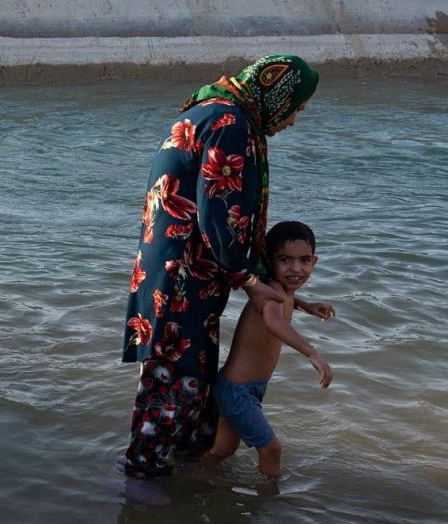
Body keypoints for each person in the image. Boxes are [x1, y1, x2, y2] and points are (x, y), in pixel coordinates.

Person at [120, 55, 328, 478]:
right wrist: (250, 280)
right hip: (182, 280)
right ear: (278, 96)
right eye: (297, 108)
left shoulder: (210, 109)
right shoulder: (231, 124)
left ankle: (183, 484)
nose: (293, 120)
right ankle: (140, 488)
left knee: (183, 382)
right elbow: (217, 214)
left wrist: (280, 291)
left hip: (170, 272)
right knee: (173, 384)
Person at [206, 221, 333, 479]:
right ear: (269, 260)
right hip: (238, 390)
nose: (296, 269)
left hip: (244, 387)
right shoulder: (272, 293)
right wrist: (312, 353)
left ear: (314, 261)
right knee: (272, 448)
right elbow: (274, 321)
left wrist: (306, 305)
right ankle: (271, 499)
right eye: (285, 260)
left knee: (224, 449)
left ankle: (191, 481)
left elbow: (287, 300)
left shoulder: (280, 292)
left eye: (304, 260)